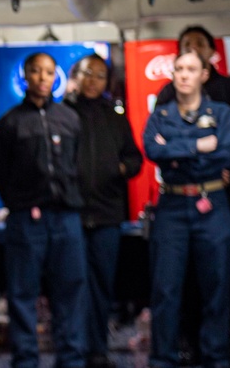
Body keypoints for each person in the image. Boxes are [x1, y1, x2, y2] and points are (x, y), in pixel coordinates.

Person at [156, 25, 230, 366]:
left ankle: (223, 348)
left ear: (210, 60)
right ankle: (178, 346)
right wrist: (199, 148)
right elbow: (157, 150)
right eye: (185, 49)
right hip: (175, 199)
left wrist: (229, 167)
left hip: (223, 193)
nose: (191, 56)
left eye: (199, 46)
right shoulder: (166, 98)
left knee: (224, 274)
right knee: (171, 284)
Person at [144, 50, 230, 368]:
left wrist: (175, 149)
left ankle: (216, 358)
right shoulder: (161, 115)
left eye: (191, 69)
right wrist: (197, 144)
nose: (183, 74)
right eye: (179, 69)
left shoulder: (223, 113)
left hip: (212, 205)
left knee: (217, 288)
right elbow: (153, 149)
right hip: (171, 206)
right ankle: (162, 360)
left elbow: (223, 155)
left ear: (204, 75)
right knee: (165, 291)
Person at [0, 52, 86, 368]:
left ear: (55, 76)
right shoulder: (10, 122)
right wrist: (20, 203)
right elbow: (2, 173)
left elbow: (78, 166)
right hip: (25, 220)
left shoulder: (70, 119)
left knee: (70, 293)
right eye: (36, 71)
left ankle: (71, 359)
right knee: (21, 295)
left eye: (48, 71)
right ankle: (25, 360)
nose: (42, 77)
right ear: (25, 76)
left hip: (66, 218)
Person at [66, 54, 143, 368]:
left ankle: (97, 350)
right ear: (76, 76)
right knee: (72, 284)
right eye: (87, 73)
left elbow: (135, 159)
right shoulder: (62, 113)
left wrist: (120, 167)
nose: (93, 80)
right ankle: (71, 350)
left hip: (108, 215)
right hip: (70, 213)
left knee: (101, 286)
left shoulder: (115, 116)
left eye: (100, 75)